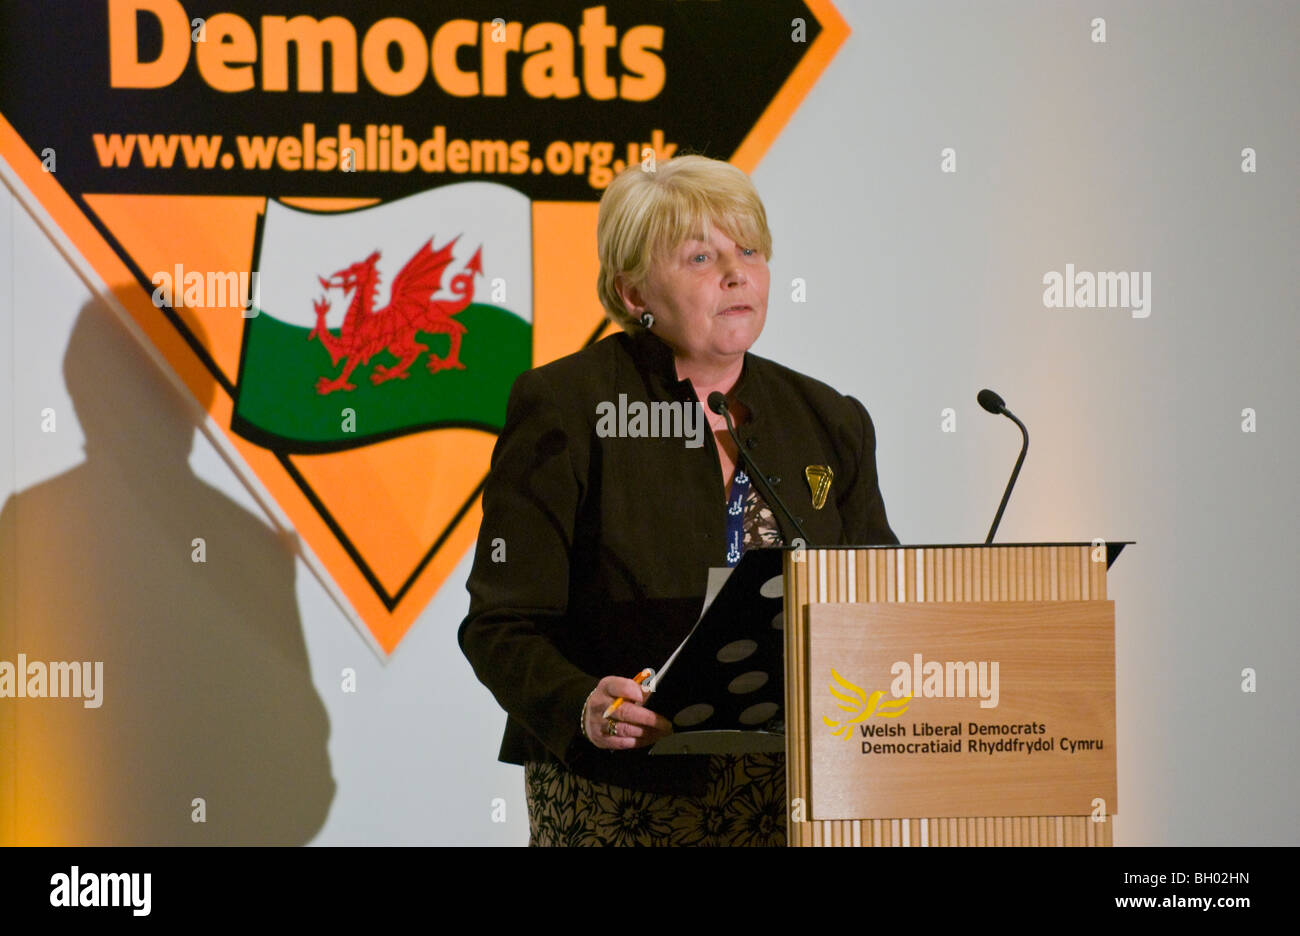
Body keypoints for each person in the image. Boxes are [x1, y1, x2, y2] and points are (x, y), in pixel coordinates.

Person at [458, 154, 898, 846]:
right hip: (627, 787)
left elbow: (879, 595)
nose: (735, 272)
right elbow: (500, 623)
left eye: (748, 250)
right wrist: (582, 705)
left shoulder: (827, 419)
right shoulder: (569, 408)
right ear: (633, 289)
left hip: (798, 790)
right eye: (699, 256)